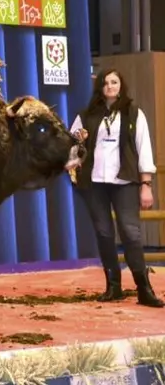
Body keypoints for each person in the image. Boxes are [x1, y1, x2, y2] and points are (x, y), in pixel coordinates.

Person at [70, 68, 163, 308]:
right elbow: (70, 148)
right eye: (105, 82)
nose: (110, 86)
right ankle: (113, 287)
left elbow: (144, 150)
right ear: (100, 87)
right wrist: (77, 142)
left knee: (131, 233)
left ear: (121, 85)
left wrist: (146, 185)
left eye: (114, 82)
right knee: (104, 233)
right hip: (95, 184)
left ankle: (144, 289)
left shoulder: (134, 113)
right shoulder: (86, 115)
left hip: (125, 183)